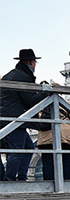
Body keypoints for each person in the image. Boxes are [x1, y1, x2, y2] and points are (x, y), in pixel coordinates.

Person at [0, 49, 47, 181]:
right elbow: (30, 100)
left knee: (28, 147)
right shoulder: (23, 76)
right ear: (32, 62)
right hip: (16, 120)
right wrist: (44, 92)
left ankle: (20, 176)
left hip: (9, 118)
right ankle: (10, 180)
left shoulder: (10, 75)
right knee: (17, 150)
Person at [37, 84, 70, 181]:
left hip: (46, 138)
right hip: (65, 136)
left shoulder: (40, 104)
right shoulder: (64, 103)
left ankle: (49, 187)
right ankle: (67, 185)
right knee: (66, 163)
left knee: (48, 164)